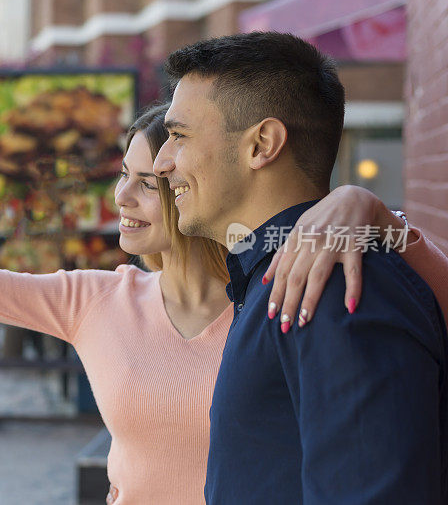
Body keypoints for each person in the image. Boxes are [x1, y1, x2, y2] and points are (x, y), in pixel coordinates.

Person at [0, 102, 447, 504]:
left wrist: (369, 211)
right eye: (120, 175)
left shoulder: (285, 280)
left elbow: (425, 295)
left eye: (146, 179)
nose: (121, 198)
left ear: (191, 184)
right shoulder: (92, 301)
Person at [153, 31, 448, 503]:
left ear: (262, 144)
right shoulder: (273, 273)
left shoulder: (334, 279)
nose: (163, 163)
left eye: (178, 135)